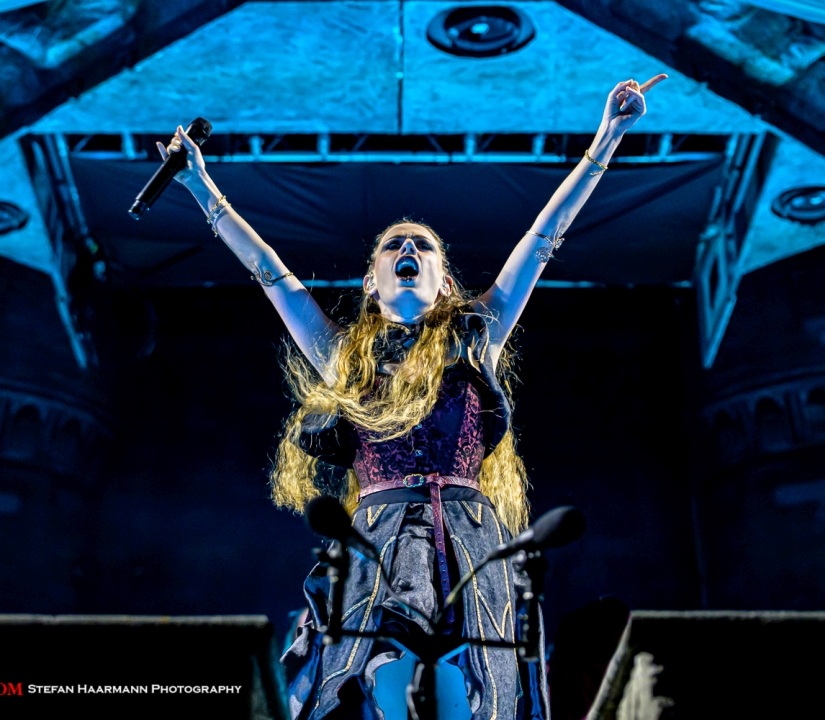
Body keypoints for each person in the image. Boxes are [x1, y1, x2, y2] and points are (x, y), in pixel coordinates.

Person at [160, 74, 667, 720]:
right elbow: (270, 274)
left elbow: (543, 241)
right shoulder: (346, 356)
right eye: (393, 245)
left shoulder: (475, 338)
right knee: (364, 688)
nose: (407, 248)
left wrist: (607, 138)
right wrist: (201, 186)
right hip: (379, 545)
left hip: (468, 540)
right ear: (371, 284)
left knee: (477, 695)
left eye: (421, 246)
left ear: (445, 283)